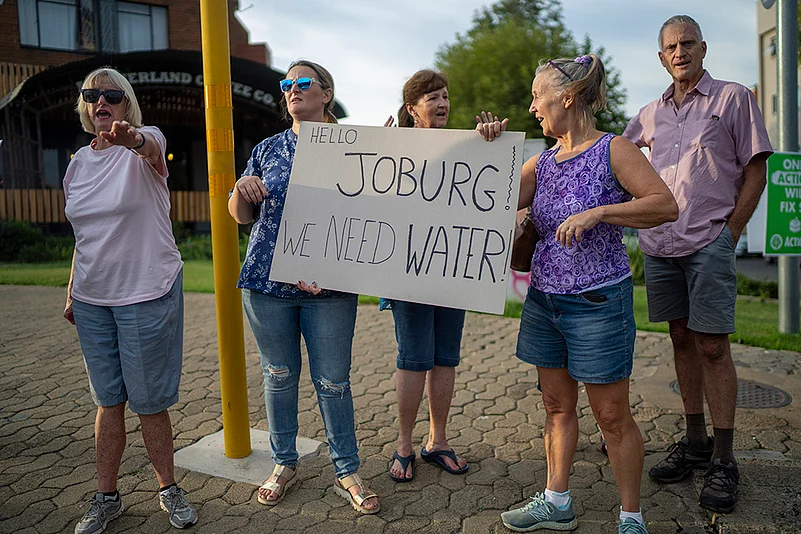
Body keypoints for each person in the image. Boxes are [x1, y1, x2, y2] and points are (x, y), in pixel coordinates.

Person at [497, 54, 678, 534]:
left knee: (612, 414)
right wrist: (484, 149)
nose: (533, 107)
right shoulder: (544, 162)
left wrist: (601, 213)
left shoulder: (614, 150)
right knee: (556, 406)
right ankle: (557, 501)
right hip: (545, 301)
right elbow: (480, 194)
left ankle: (631, 517)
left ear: (567, 98)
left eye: (538, 97)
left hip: (599, 302)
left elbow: (665, 204)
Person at [623, 15, 772, 513]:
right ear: (661, 57)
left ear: (703, 48)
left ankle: (725, 460)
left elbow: (756, 170)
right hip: (661, 245)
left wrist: (730, 234)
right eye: (671, 46)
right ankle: (696, 441)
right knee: (681, 338)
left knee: (712, 345)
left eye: (688, 43)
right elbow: (613, 158)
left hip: (709, 241)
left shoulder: (733, 99)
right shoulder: (648, 114)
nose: (680, 51)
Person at [228, 60, 379, 515]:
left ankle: (347, 470)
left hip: (329, 289)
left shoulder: (357, 147)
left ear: (326, 93)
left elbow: (376, 211)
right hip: (266, 283)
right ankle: (283, 463)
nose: (292, 90)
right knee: (278, 377)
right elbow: (240, 217)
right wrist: (242, 187)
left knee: (333, 382)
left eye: (303, 83)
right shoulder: (268, 148)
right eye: (286, 84)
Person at [63, 67, 197, 533]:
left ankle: (168, 488)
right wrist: (72, 287)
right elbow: (85, 234)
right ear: (84, 106)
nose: (101, 102)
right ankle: (106, 497)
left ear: (127, 105)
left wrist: (132, 140)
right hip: (93, 299)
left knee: (149, 401)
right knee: (108, 402)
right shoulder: (77, 164)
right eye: (92, 95)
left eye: (112, 95)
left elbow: (152, 149)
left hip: (145, 291)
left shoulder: (144, 144)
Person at [384, 69, 507, 483]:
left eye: (445, 96)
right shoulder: (394, 148)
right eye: (432, 97)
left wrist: (489, 143)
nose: (442, 103)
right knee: (413, 358)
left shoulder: (467, 147)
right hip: (409, 272)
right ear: (412, 108)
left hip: (453, 271)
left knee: (445, 358)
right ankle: (404, 444)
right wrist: (381, 147)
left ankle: (437, 440)